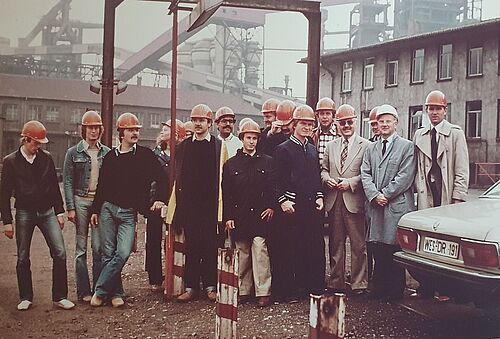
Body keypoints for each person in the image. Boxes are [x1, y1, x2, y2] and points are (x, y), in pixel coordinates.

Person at [89, 112, 166, 307]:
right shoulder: (110, 158)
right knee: (108, 253)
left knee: (122, 252)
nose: (134, 133)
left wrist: (159, 199)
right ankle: (116, 294)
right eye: (130, 130)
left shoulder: (145, 156)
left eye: (136, 130)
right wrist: (95, 210)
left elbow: (162, 178)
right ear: (121, 133)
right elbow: (102, 187)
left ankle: (99, 289)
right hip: (107, 210)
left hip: (128, 213)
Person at [1, 120, 75, 311]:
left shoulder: (46, 158)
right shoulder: (10, 162)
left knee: (60, 251)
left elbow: (54, 187)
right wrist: (7, 222)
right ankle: (26, 296)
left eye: (41, 143)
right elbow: (4, 193)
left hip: (47, 211)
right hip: (24, 212)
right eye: (36, 143)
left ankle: (60, 296)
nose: (39, 146)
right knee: (23, 255)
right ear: (25, 140)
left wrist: (59, 211)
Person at [412, 90, 469, 298]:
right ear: (426, 110)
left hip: (447, 195)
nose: (434, 112)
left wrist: (458, 197)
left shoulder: (455, 133)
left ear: (445, 110)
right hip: (427, 194)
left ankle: (447, 289)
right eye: (430, 108)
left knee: (448, 245)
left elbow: (462, 168)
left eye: (438, 108)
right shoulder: (420, 134)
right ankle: (426, 286)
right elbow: (417, 167)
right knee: (426, 242)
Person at [361, 104, 416, 301]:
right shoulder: (371, 148)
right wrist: (374, 195)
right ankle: (379, 289)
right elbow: (365, 173)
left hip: (396, 205)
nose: (384, 124)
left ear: (396, 123)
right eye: (380, 121)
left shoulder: (407, 146)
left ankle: (395, 291)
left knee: (394, 248)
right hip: (376, 205)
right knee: (378, 247)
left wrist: (385, 194)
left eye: (388, 121)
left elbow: (405, 176)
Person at [172, 104, 224, 303]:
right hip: (190, 205)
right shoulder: (184, 147)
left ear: (209, 123)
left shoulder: (218, 146)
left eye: (201, 121)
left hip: (211, 205)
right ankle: (191, 287)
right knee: (192, 246)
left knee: (210, 246)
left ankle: (211, 286)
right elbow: (179, 177)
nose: (197, 124)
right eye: (195, 121)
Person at [273, 104, 325, 301]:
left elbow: (315, 177)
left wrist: (319, 195)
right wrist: (283, 201)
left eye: (311, 124)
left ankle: (309, 287)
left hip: (310, 206)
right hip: (291, 207)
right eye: (303, 123)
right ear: (294, 124)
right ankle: (289, 291)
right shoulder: (283, 149)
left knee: (311, 248)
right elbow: (276, 180)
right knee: (290, 249)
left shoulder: (312, 150)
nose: (307, 127)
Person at [222, 119, 276, 307]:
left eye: (254, 138)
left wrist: (271, 206)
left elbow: (272, 188)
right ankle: (244, 290)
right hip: (240, 215)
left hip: (260, 216)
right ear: (242, 138)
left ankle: (263, 291)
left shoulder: (267, 162)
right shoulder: (231, 165)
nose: (251, 141)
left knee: (260, 251)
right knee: (242, 253)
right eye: (248, 137)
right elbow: (226, 194)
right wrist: (228, 217)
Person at [321, 104, 370, 295]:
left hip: (353, 201)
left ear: (355, 122)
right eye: (342, 123)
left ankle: (359, 283)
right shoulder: (331, 146)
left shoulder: (366, 146)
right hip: (334, 200)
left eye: (350, 122)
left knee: (358, 245)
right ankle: (336, 282)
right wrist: (327, 180)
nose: (346, 126)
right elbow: (324, 169)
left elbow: (367, 173)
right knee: (335, 243)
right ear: (337, 124)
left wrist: (350, 183)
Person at [63, 110, 110, 302]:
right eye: (90, 127)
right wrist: (71, 208)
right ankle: (83, 291)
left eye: (97, 127)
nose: (94, 131)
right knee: (81, 248)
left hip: (98, 204)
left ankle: (99, 289)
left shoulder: (106, 152)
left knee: (98, 247)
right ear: (84, 129)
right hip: (81, 201)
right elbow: (67, 181)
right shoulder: (73, 153)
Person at [145, 119, 184, 291]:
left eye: (167, 128)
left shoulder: (181, 155)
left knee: (177, 238)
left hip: (176, 201)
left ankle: (176, 274)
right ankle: (154, 277)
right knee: (153, 239)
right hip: (158, 202)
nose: (162, 131)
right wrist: (153, 201)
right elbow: (150, 180)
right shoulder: (156, 155)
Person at [312, 97, 337, 164]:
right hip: (317, 173)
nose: (325, 117)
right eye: (322, 113)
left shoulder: (340, 134)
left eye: (328, 113)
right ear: (317, 116)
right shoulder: (312, 135)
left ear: (333, 116)